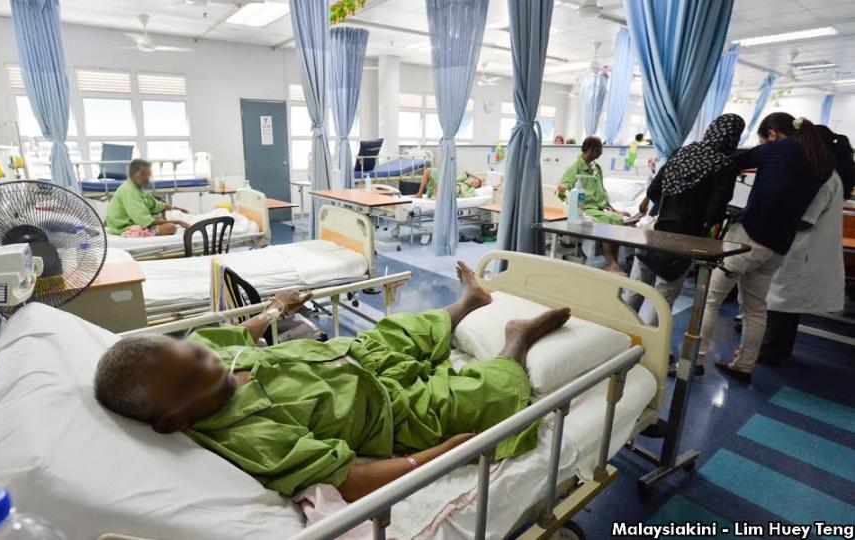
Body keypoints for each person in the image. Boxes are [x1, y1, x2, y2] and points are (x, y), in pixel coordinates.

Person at [94, 262, 572, 501]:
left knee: (399, 330)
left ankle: (468, 302)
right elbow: (351, 480)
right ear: (174, 421)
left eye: (196, 354)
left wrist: (276, 309)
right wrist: (438, 456)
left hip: (355, 353)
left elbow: (239, 333)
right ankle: (517, 341)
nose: (209, 364)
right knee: (481, 398)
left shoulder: (202, 351)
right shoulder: (248, 438)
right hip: (392, 410)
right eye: (193, 377)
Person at [698, 113, 832, 383]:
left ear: (772, 134)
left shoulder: (777, 149)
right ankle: (744, 365)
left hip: (747, 239)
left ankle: (695, 360)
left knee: (710, 300)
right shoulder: (821, 161)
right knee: (756, 308)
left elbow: (731, 161)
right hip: (778, 246)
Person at [624, 114, 745, 330]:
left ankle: (619, 333)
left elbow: (654, 190)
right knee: (662, 300)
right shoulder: (724, 164)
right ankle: (649, 344)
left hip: (655, 232)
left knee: (635, 289)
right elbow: (715, 212)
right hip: (686, 240)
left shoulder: (681, 152)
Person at [758, 126, 854, 364]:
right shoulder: (827, 174)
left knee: (782, 301)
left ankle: (771, 349)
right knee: (786, 304)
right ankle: (778, 348)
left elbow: (805, 219)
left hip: (802, 249)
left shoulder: (823, 179)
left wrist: (774, 217)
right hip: (805, 248)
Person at [559, 136, 629, 273]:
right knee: (605, 221)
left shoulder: (596, 168)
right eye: (600, 149)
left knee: (619, 220)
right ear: (591, 149)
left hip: (599, 208)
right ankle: (610, 261)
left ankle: (613, 261)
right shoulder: (575, 168)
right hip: (585, 208)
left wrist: (614, 209)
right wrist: (564, 190)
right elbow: (563, 187)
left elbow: (602, 191)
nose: (601, 152)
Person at [105, 159, 191, 236]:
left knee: (163, 213)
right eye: (143, 174)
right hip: (123, 227)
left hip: (136, 222)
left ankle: (151, 229)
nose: (146, 178)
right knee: (170, 227)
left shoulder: (137, 188)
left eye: (148, 174)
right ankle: (146, 233)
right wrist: (178, 222)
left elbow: (155, 204)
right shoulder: (129, 191)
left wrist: (179, 209)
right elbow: (144, 221)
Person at [416, 167, 484, 199]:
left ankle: (437, 194)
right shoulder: (462, 180)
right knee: (428, 171)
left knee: (436, 172)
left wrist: (482, 184)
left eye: (477, 184)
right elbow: (466, 171)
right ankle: (419, 194)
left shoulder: (470, 190)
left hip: (446, 191)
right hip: (443, 185)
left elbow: (464, 195)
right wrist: (479, 178)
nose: (475, 182)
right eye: (475, 180)